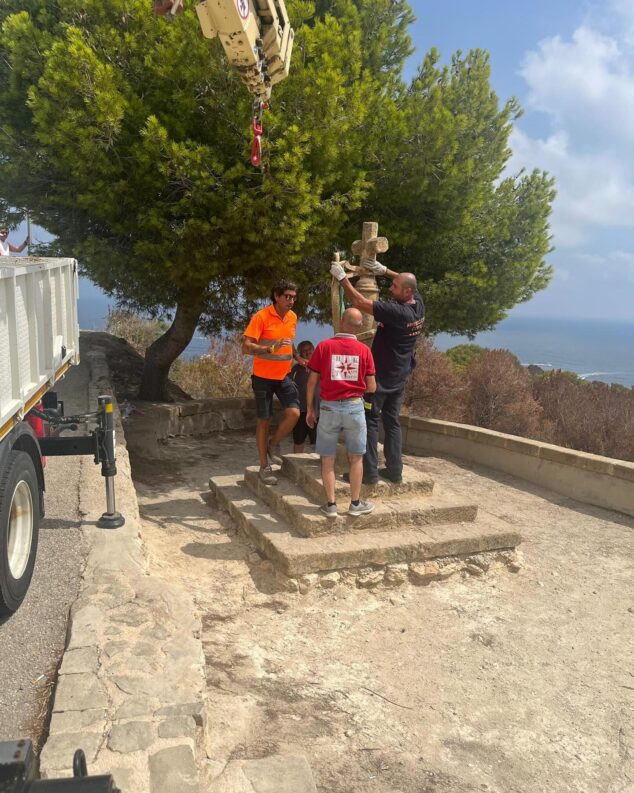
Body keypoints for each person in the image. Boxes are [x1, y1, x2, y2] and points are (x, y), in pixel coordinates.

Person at [330, 258, 425, 485]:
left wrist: (342, 277)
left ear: (407, 291)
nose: (389, 288)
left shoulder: (397, 312)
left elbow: (358, 300)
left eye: (394, 287)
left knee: (370, 419)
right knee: (392, 421)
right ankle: (395, 471)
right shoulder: (418, 303)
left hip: (380, 378)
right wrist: (385, 271)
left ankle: (369, 472)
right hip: (400, 375)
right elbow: (404, 280)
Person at [306, 308, 376, 518]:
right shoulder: (365, 351)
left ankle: (331, 505)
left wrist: (310, 408)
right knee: (356, 457)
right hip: (354, 407)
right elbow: (372, 387)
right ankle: (355, 504)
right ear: (360, 326)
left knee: (327, 458)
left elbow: (311, 382)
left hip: (328, 407)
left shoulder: (324, 346)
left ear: (341, 322)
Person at [242, 280, 301, 485]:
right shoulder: (261, 316)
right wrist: (267, 349)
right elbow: (246, 347)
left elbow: (288, 342)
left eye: (294, 297)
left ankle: (273, 443)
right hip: (262, 378)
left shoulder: (292, 317)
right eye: (287, 296)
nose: (291, 301)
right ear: (276, 296)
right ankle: (264, 466)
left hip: (284, 376)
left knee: (294, 413)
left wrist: (298, 357)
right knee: (264, 421)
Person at [289, 340, 319, 453]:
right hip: (301, 410)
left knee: (319, 443)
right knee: (298, 440)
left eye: (310, 349)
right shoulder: (295, 370)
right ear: (300, 354)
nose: (308, 352)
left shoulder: (323, 366)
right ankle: (296, 464)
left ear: (314, 349)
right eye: (304, 350)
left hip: (318, 411)